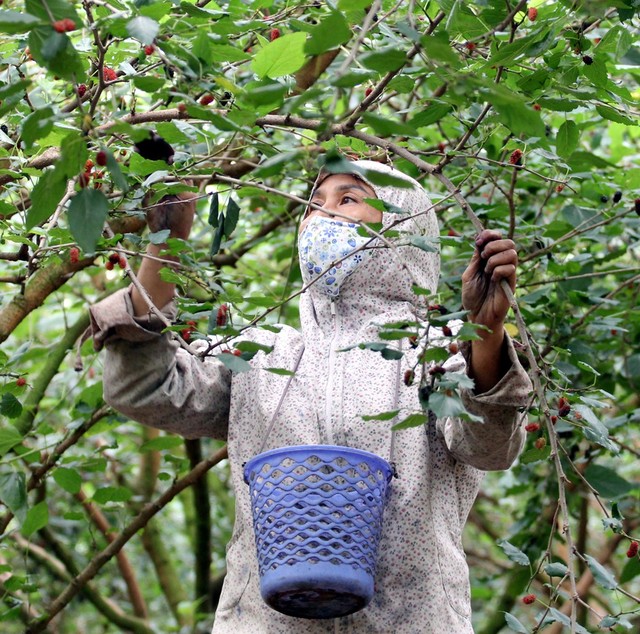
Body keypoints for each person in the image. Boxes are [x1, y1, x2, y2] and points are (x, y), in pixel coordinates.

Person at [90, 159, 532, 633]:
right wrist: (163, 256)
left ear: (404, 228)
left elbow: (489, 448)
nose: (324, 216)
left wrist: (485, 333)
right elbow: (142, 390)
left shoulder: (435, 355)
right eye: (313, 204)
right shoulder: (260, 354)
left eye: (348, 200)